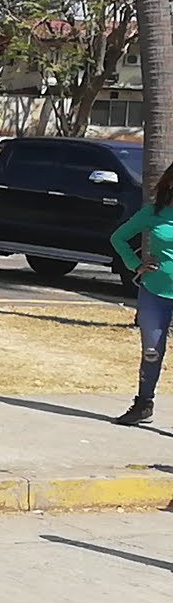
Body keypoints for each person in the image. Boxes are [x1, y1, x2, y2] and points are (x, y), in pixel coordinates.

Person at [110, 162, 173, 426]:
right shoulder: (153, 213)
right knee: (151, 351)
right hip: (154, 293)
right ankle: (143, 404)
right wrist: (136, 265)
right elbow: (118, 238)